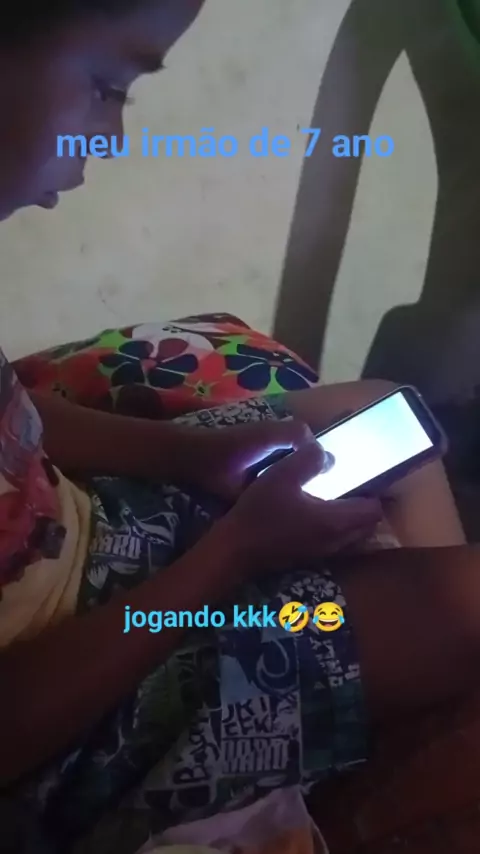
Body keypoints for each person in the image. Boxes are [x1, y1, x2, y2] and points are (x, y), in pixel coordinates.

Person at [0, 2, 474, 852]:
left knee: (378, 409)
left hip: (100, 543)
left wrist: (195, 454)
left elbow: (18, 421)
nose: (111, 138)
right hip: (87, 699)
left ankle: (379, 665)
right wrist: (235, 554)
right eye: (106, 86)